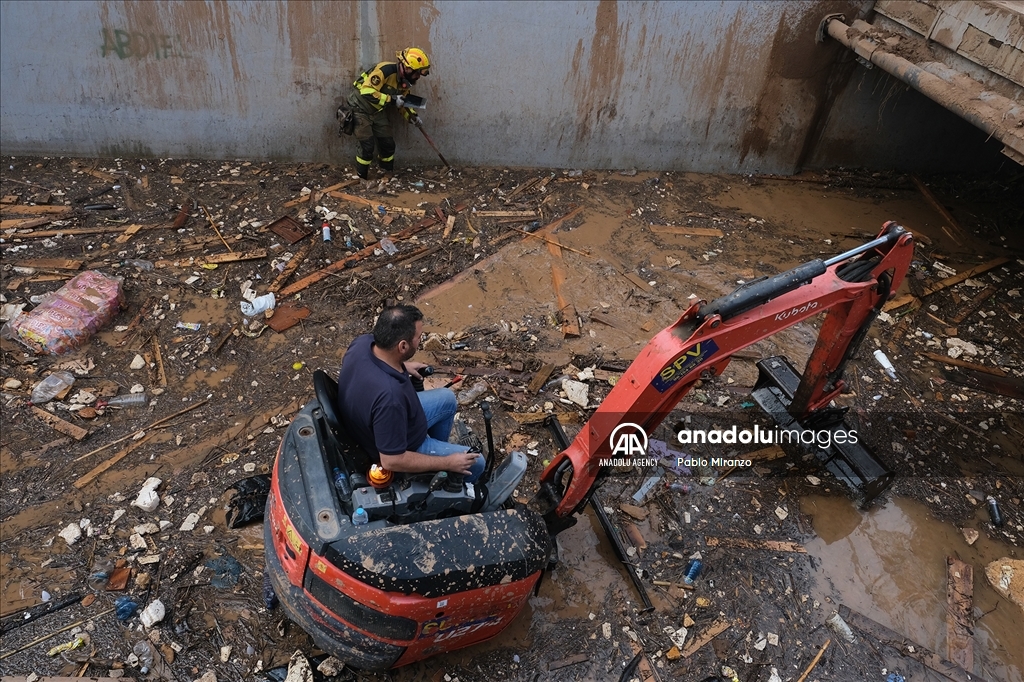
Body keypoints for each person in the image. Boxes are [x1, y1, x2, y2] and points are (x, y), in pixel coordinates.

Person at [336, 304, 484, 482]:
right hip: (402, 445)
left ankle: (438, 457)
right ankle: (457, 492)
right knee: (476, 462)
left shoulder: (362, 344)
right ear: (403, 346)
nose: (420, 341)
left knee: (447, 399)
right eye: (419, 337)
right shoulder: (390, 398)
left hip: (391, 421)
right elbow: (391, 460)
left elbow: (371, 366)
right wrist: (447, 462)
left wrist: (402, 367)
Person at [346, 47, 430, 180]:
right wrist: (392, 99)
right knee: (367, 147)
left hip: (377, 110)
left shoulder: (406, 82)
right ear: (408, 68)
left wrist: (412, 116)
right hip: (360, 108)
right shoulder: (385, 70)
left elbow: (402, 103)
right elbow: (366, 92)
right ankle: (361, 177)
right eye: (417, 73)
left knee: (387, 143)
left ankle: (387, 172)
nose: (418, 77)